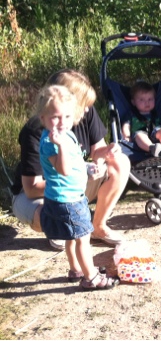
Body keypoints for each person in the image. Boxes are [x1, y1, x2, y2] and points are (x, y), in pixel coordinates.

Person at [11, 69, 130, 249]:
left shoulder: (84, 113)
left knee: (120, 162)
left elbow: (97, 151)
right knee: (47, 215)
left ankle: (97, 227)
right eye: (84, 104)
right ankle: (60, 230)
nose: (88, 109)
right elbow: (31, 189)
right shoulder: (35, 130)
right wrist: (79, 175)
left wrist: (107, 151)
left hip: (73, 184)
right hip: (36, 195)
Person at [36, 84, 119, 289]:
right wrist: (61, 146)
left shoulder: (66, 135)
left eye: (66, 116)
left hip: (72, 196)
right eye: (55, 117)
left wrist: (86, 168)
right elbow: (63, 169)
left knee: (72, 237)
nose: (62, 122)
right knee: (83, 238)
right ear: (43, 118)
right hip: (67, 200)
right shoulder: (51, 142)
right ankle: (91, 278)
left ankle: (76, 269)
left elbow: (73, 162)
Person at [121, 80, 161, 157]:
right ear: (133, 102)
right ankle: (152, 148)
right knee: (139, 136)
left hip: (156, 133)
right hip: (140, 133)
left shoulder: (157, 113)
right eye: (142, 100)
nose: (147, 102)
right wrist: (127, 136)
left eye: (150, 99)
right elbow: (126, 126)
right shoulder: (130, 114)